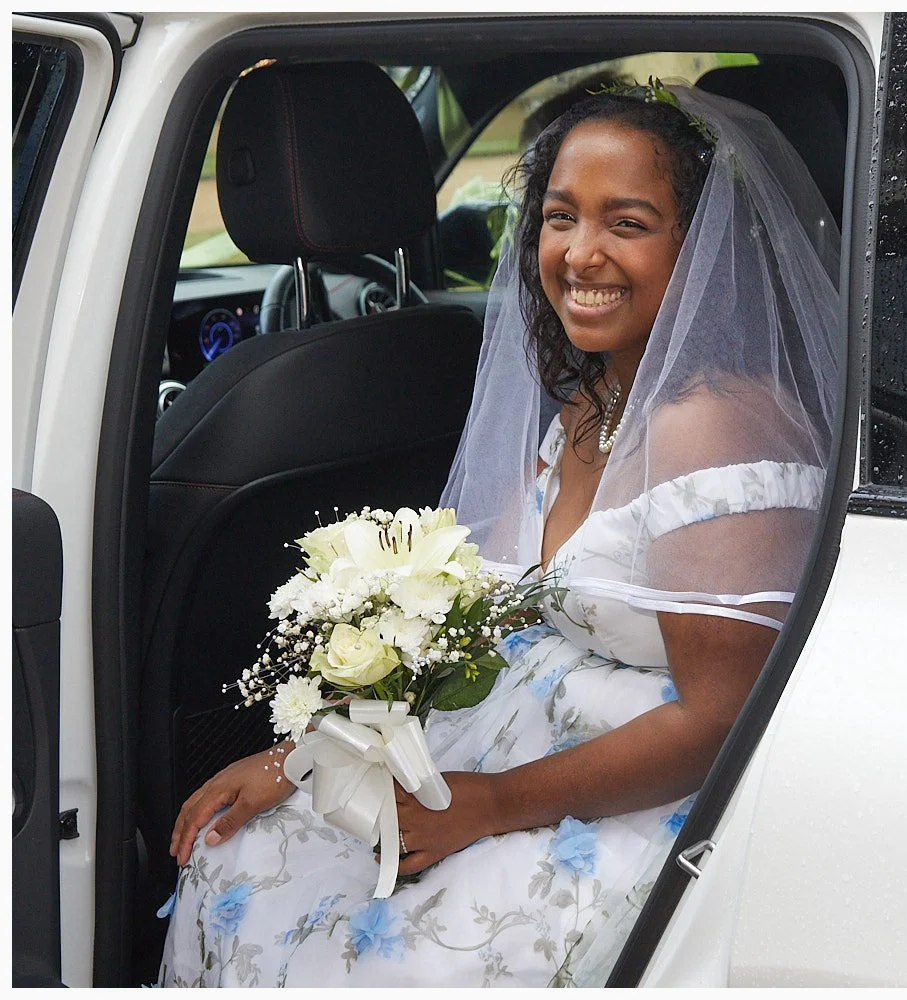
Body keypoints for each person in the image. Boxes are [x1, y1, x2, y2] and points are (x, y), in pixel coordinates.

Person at [159, 82, 839, 988]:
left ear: (701, 247)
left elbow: (720, 722)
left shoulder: (711, 425)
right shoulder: (593, 399)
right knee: (240, 856)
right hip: (506, 757)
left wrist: (485, 807)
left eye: (627, 223)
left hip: (635, 810)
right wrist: (305, 753)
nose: (581, 253)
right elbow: (493, 618)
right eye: (562, 216)